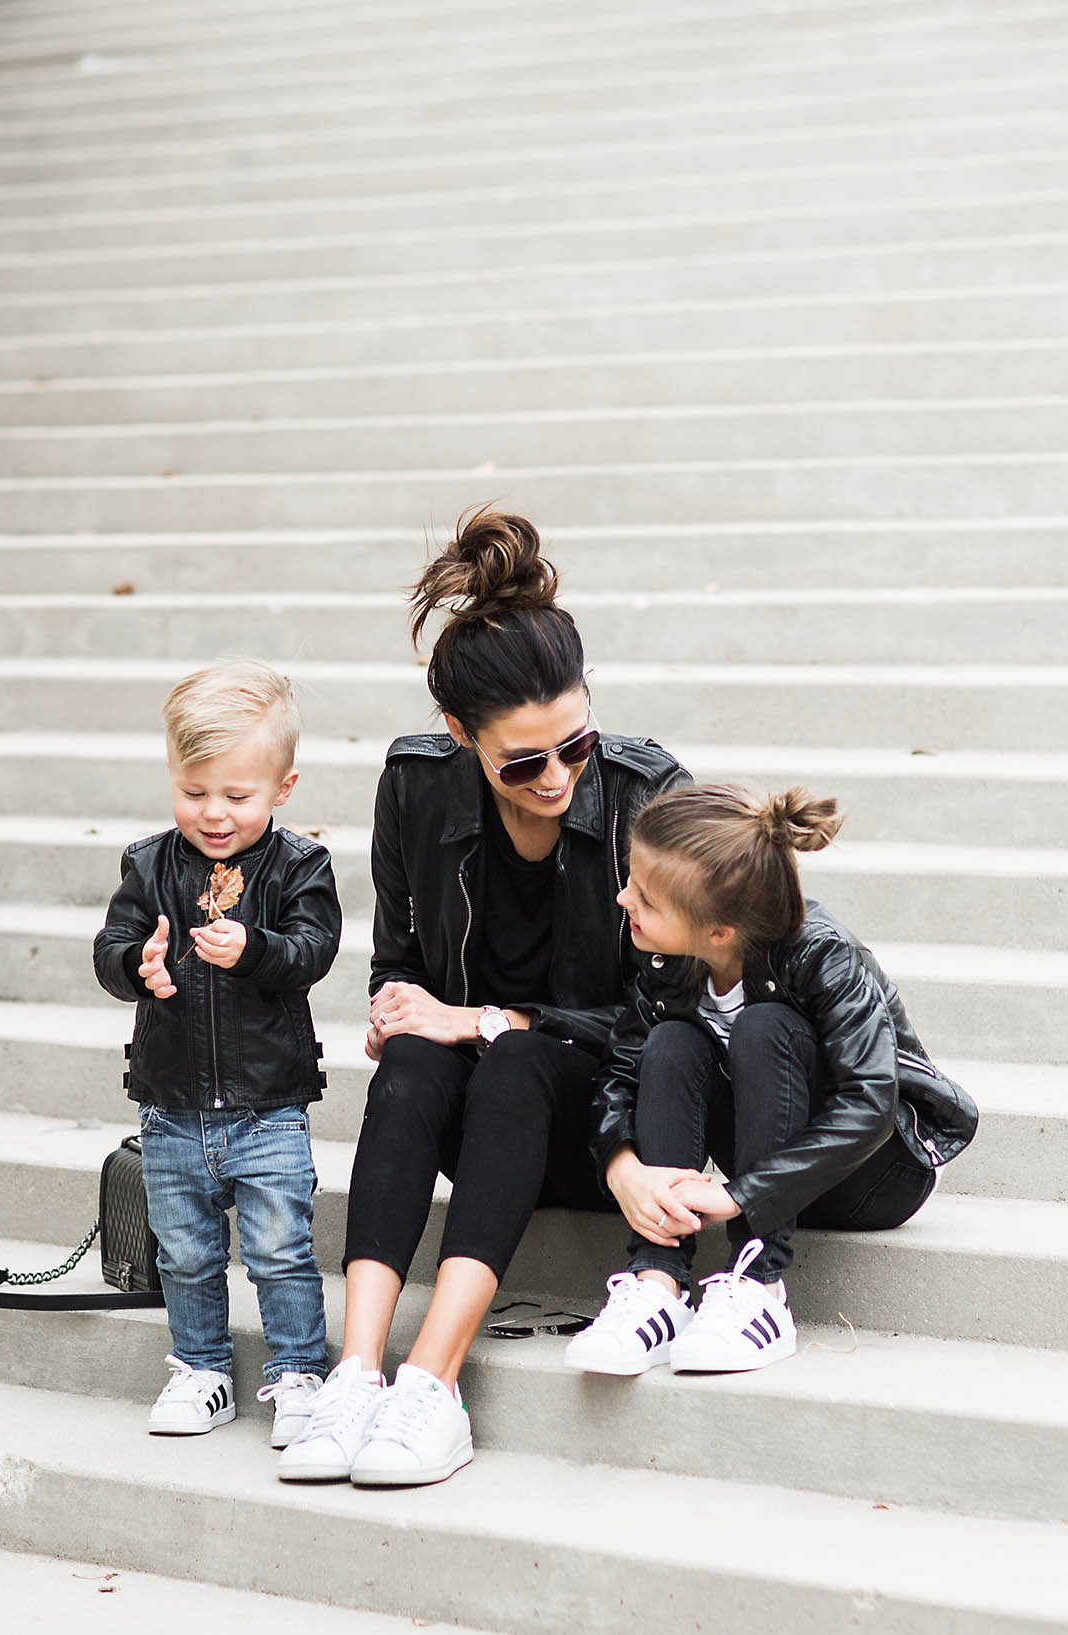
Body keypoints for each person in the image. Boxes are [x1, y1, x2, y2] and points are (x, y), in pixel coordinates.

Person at [277, 507, 687, 1488]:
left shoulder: (646, 795)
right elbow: (401, 960)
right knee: (419, 1061)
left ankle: (433, 1383)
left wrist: (490, 1020)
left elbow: (667, 1014)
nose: (556, 778)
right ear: (461, 735)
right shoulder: (417, 786)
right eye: (522, 761)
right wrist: (393, 1009)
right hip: (475, 1128)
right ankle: (358, 1371)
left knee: (506, 1058)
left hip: (602, 1124)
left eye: (575, 746)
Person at [566, 782, 978, 1379]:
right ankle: (656, 1284)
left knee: (765, 1029)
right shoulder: (666, 959)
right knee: (671, 1041)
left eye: (647, 898)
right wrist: (621, 1164)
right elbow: (622, 1071)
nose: (624, 897)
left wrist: (740, 1195)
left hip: (870, 1175)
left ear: (719, 932)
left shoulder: (820, 955)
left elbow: (868, 1104)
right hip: (768, 1160)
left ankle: (757, 1289)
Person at [93, 660, 342, 1446]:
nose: (214, 813)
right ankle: (201, 1368)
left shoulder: (300, 865)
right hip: (171, 1107)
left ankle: (299, 1368)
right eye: (194, 791)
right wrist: (139, 963)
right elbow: (110, 946)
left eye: (238, 796)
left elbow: (313, 950)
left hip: (268, 1107)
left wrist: (256, 948)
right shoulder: (148, 863)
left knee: (279, 1249)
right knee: (187, 1252)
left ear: (283, 786)